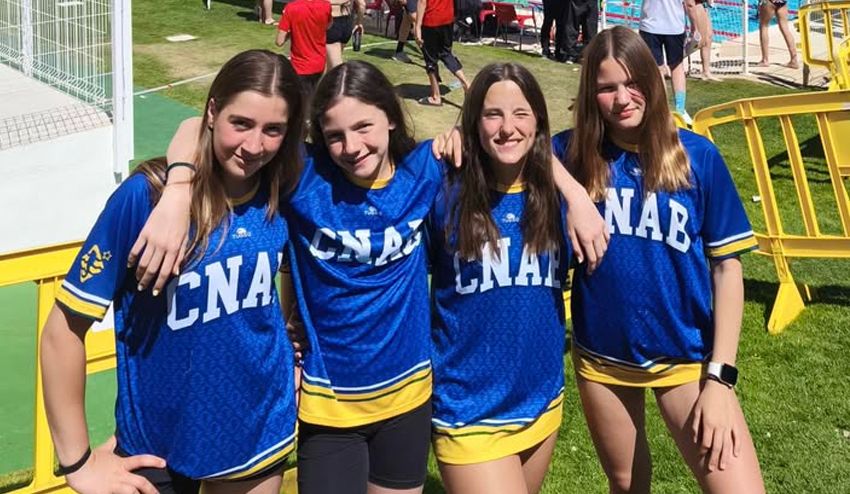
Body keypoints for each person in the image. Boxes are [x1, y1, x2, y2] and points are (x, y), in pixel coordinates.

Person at [39, 50, 305, 494]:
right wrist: (78, 463)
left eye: (272, 130)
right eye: (241, 123)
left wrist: (295, 354)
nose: (254, 145)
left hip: (257, 433)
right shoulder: (146, 198)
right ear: (213, 111)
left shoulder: (284, 187)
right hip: (156, 446)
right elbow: (61, 331)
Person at [553, 26, 766, 493]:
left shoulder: (697, 157)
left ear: (653, 80)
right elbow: (517, 143)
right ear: (590, 94)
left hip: (687, 358)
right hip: (604, 358)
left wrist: (721, 379)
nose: (621, 99)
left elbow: (728, 269)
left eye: (632, 83)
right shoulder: (573, 155)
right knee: (628, 483)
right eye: (606, 87)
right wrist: (574, 192)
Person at [429, 62, 570, 494]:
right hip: (468, 408)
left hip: (541, 398)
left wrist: (579, 197)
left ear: (538, 121)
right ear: (474, 121)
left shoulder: (558, 195)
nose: (508, 128)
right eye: (493, 114)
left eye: (520, 113)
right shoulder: (444, 191)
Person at [638, 0, 692, 124]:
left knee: (656, 69)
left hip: (650, 25)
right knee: (677, 66)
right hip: (674, 25)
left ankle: (662, 109)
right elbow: (689, 4)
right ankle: (680, 109)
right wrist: (695, 26)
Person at [415, 0, 471, 106]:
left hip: (431, 19)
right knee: (446, 53)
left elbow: (422, 1)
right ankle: (466, 83)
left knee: (430, 58)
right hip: (447, 18)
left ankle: (436, 96)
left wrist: (417, 26)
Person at [275, 0, 332, 98]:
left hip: (300, 67)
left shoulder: (291, 8)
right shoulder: (326, 5)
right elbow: (328, 25)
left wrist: (293, 32)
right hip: (319, 64)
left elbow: (279, 41)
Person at [757, 0, 799, 69]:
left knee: (764, 26)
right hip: (782, 1)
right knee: (785, 28)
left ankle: (765, 60)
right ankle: (794, 60)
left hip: (769, 2)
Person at [685, 0, 720, 81]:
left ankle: (706, 71)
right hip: (696, 5)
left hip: (702, 5)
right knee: (699, 41)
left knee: (708, 37)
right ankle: (674, 64)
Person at [326, 0, 365, 69]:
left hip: (332, 22)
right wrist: (359, 23)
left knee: (336, 66)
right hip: (347, 22)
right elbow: (362, 4)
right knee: (330, 63)